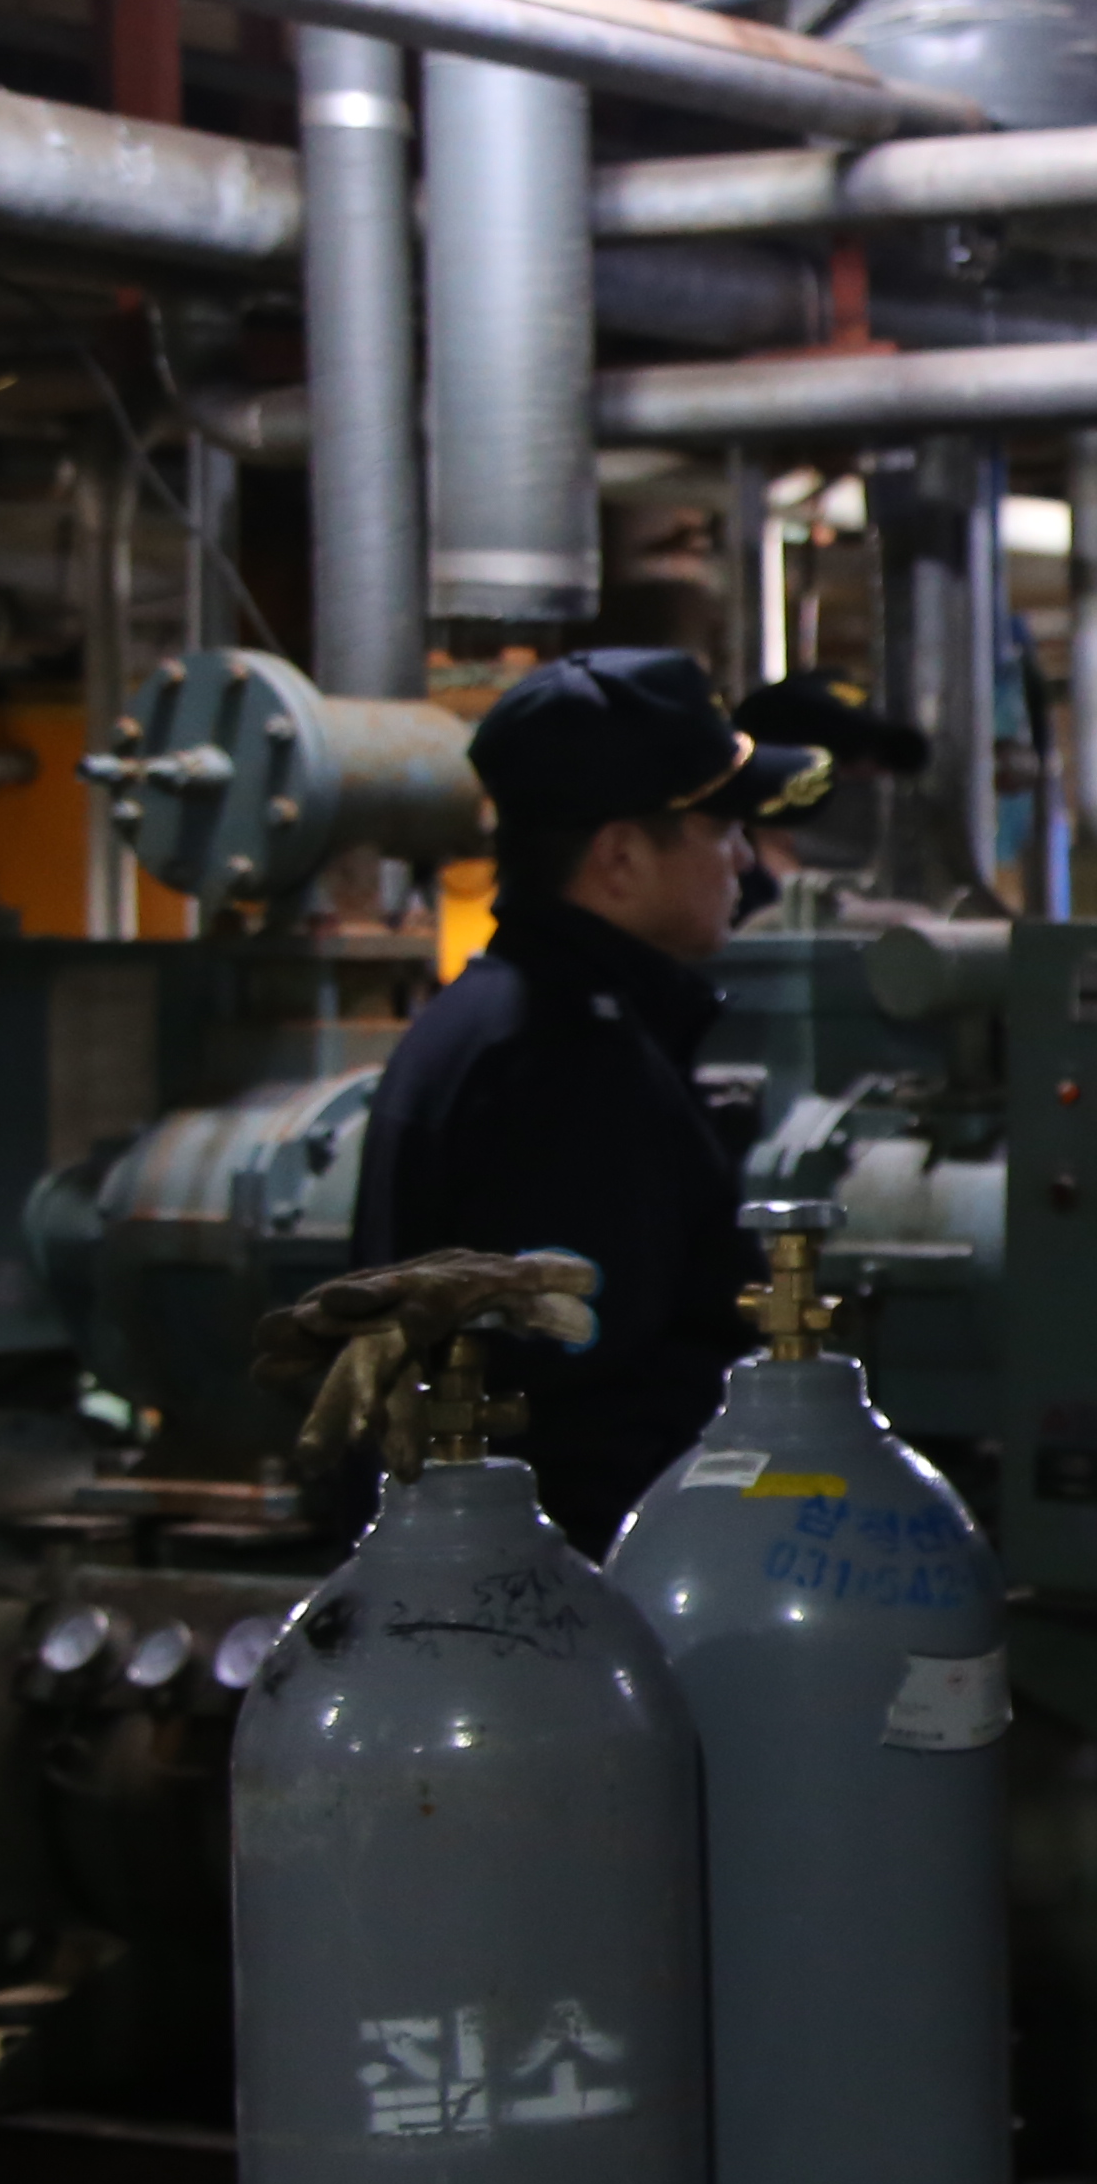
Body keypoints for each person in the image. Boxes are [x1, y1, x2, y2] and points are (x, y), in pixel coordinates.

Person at [354, 650, 828, 1554]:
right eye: (720, 826)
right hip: (568, 1592)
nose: (742, 858)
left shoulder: (483, 1022)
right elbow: (588, 1413)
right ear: (619, 858)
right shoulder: (567, 1063)